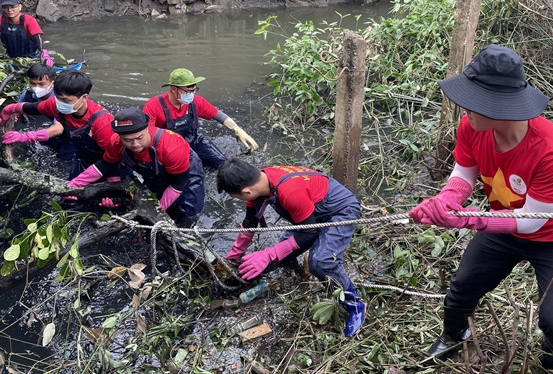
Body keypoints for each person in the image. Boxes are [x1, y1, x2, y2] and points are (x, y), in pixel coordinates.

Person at [409, 44, 553, 373]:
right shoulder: (472, 126)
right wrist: (447, 200)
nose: (464, 109)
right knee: (462, 287)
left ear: (500, 105)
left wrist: (465, 219)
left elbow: (531, 222)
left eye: (472, 102)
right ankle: (454, 334)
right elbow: (464, 173)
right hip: (502, 228)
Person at [216, 157, 365, 337]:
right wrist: (234, 255)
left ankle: (354, 305)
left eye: (236, 197)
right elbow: (250, 220)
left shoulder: (289, 192)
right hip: (310, 212)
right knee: (283, 256)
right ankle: (294, 276)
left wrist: (269, 254)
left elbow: (308, 233)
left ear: (246, 192)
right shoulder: (259, 180)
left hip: (340, 211)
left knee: (320, 262)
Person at [68, 107, 205, 226]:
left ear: (147, 129)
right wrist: (73, 185)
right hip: (154, 172)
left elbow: (178, 184)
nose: (135, 145)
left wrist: (155, 213)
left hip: (185, 172)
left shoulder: (172, 148)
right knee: (150, 200)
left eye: (139, 138)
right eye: (127, 140)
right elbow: (104, 165)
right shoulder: (116, 143)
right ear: (119, 136)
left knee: (187, 213)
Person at [0, 69, 115, 179]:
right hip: (82, 154)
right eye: (58, 98)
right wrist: (9, 109)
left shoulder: (103, 123)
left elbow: (114, 157)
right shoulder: (56, 103)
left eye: (66, 101)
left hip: (107, 161)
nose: (60, 104)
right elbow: (32, 108)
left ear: (84, 97)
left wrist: (87, 179)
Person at [143, 68, 258, 169]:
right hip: (168, 146)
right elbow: (147, 136)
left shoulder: (195, 101)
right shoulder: (153, 106)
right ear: (174, 89)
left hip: (193, 139)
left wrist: (238, 130)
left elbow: (217, 115)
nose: (192, 94)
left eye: (194, 90)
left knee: (224, 166)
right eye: (188, 91)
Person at [0, 0, 53, 64]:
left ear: (19, 7)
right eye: (6, 7)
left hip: (32, 57)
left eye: (12, 7)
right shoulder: (1, 21)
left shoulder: (29, 20)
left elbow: (38, 40)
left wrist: (45, 54)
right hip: (12, 57)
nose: (9, 10)